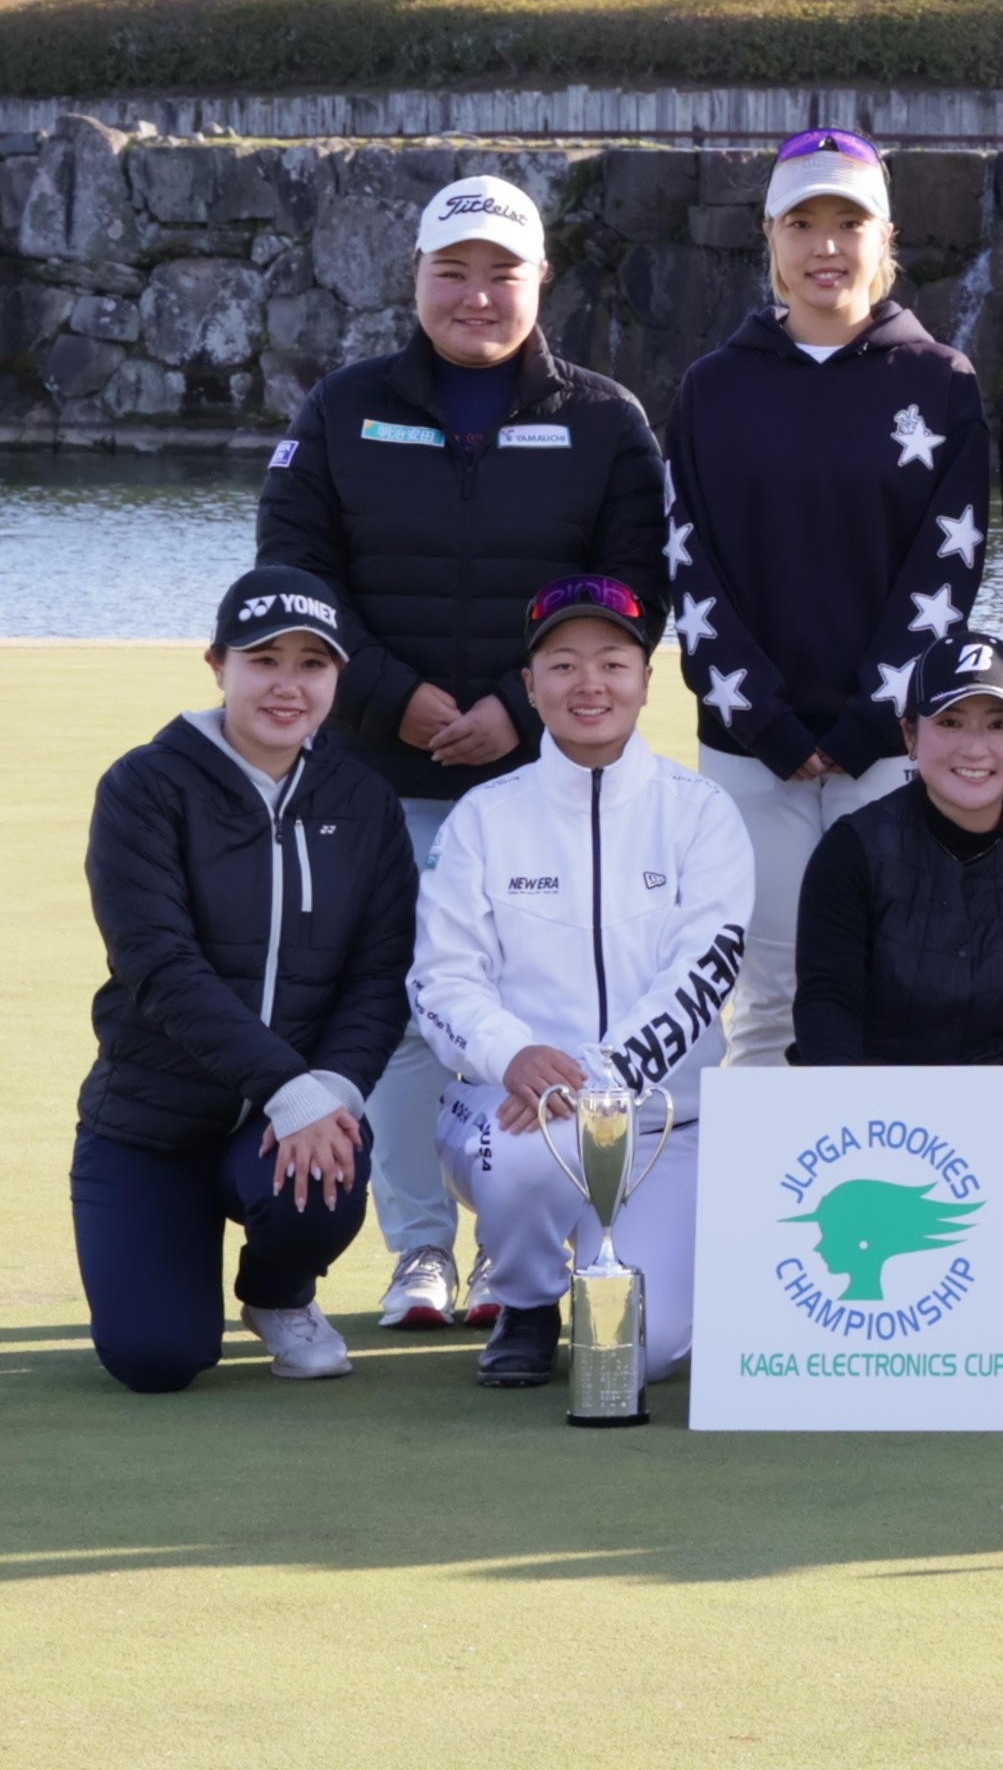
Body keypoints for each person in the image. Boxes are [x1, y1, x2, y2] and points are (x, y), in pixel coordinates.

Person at [257, 173, 664, 1333]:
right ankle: (421, 1251)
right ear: (417, 279)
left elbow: (638, 591)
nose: (477, 295)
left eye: (502, 273)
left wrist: (517, 713)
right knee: (403, 1014)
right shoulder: (343, 409)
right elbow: (293, 576)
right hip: (380, 774)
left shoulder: (605, 419)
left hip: (549, 777)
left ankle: (513, 1250)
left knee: (535, 1007)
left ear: (542, 281)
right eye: (454, 271)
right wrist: (397, 698)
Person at [662, 128, 988, 1078]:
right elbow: (691, 569)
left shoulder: (941, 383)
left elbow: (946, 572)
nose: (826, 246)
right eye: (802, 223)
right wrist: (767, 724)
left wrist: (866, 724)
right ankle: (766, 1181)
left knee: (897, 991)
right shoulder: (713, 389)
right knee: (767, 1002)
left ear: (886, 238)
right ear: (769, 236)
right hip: (749, 753)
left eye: (849, 222)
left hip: (890, 750)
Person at [73, 570, 418, 1393]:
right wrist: (287, 1088)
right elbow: (157, 964)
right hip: (150, 1123)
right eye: (264, 660)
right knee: (156, 1360)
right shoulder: (145, 785)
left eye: (312, 664)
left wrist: (328, 1091)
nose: (287, 686)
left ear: (337, 678)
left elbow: (381, 972)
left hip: (279, 1125)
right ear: (217, 664)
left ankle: (277, 1292)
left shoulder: (364, 799)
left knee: (322, 1182)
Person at [408, 577, 757, 1390]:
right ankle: (526, 1299)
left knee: (646, 1352)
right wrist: (514, 1056)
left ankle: (598, 1281)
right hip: (511, 1113)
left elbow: (703, 972)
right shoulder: (483, 817)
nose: (589, 684)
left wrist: (596, 1080)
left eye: (612, 663)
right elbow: (439, 980)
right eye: (562, 665)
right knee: (522, 1156)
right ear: (530, 687)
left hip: (669, 1124)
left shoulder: (701, 812)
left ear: (646, 681)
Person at [789, 632, 1003, 1068]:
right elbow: (827, 1001)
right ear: (910, 734)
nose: (975, 749)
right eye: (950, 722)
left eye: (999, 725)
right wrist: (863, 1097)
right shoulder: (852, 850)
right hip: (877, 1099)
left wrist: (996, 1102)